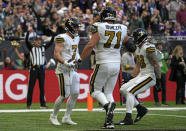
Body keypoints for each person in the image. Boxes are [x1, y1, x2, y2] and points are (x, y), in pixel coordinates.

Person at [76, 6, 136, 129]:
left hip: (103, 62)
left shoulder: (99, 26)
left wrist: (80, 59)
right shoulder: (123, 27)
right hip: (116, 64)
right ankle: (109, 122)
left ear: (103, 16)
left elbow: (90, 45)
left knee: (94, 90)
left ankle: (107, 105)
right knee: (108, 92)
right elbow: (129, 44)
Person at [118, 28, 161, 125]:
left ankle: (128, 118)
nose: (133, 39)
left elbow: (155, 64)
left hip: (149, 75)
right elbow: (138, 64)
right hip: (142, 74)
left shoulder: (149, 47)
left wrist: (158, 80)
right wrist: (132, 77)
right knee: (123, 89)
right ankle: (140, 109)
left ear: (140, 37)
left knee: (130, 92)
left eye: (135, 37)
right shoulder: (138, 48)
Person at [49, 18, 80, 126]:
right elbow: (56, 54)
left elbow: (75, 52)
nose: (77, 29)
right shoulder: (61, 37)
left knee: (75, 93)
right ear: (70, 27)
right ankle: (53, 116)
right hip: (63, 70)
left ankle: (67, 117)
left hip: (73, 69)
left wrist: (78, 59)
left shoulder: (76, 38)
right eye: (75, 27)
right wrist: (65, 62)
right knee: (64, 94)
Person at [26, 25, 55, 109]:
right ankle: (28, 104)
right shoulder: (31, 48)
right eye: (37, 41)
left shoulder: (43, 48)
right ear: (34, 42)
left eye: (39, 41)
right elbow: (26, 41)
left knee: (42, 87)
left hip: (41, 69)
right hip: (34, 69)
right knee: (31, 87)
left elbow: (50, 42)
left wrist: (53, 34)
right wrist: (28, 32)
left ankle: (42, 104)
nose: (39, 42)